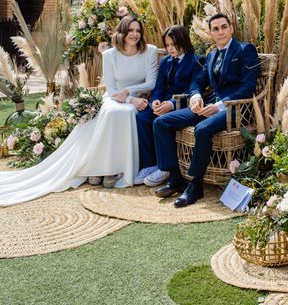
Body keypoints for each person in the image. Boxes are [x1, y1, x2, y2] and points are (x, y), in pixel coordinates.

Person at [0, 16, 157, 206]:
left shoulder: (149, 51)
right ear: (122, 33)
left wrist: (131, 94)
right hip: (115, 97)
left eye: (138, 31)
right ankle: (103, 168)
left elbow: (151, 82)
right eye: (130, 30)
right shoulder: (110, 54)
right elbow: (111, 87)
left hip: (139, 96)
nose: (135, 34)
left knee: (127, 113)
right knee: (114, 112)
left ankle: (120, 168)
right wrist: (127, 97)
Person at [153, 13, 259, 207]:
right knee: (161, 122)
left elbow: (247, 87)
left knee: (202, 128)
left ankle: (195, 184)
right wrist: (195, 96)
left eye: (224, 27)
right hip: (208, 104)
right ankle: (176, 178)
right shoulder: (211, 55)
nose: (221, 32)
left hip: (234, 109)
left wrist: (219, 106)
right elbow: (197, 81)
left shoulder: (245, 50)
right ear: (210, 33)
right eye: (216, 29)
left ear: (231, 28)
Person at [134, 25, 201, 186]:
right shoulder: (165, 61)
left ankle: (165, 169)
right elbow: (159, 87)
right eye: (167, 45)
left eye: (173, 44)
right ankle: (150, 164)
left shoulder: (197, 60)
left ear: (183, 41)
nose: (170, 49)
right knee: (142, 118)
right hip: (161, 103)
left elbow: (194, 90)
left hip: (181, 105)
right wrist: (155, 101)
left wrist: (171, 104)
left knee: (162, 122)